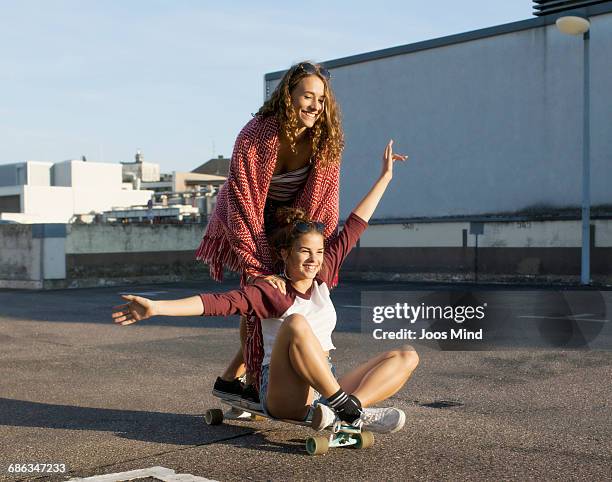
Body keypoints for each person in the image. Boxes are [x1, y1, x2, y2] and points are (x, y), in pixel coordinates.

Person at [112, 140, 419, 434]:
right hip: (282, 391)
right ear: (285, 253)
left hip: (325, 383)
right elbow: (216, 302)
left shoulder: (323, 275)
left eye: (319, 252)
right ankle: (348, 409)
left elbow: (355, 224)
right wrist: (156, 307)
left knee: (407, 355)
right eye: (304, 251)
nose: (313, 260)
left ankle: (350, 407)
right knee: (297, 323)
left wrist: (386, 176)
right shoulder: (272, 290)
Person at [194, 62, 344, 405]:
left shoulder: (325, 139)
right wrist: (261, 269)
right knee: (260, 296)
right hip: (245, 217)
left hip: (290, 220)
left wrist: (310, 250)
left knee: (286, 297)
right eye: (308, 96)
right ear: (287, 97)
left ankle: (234, 376)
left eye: (322, 100)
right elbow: (243, 200)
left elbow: (324, 202)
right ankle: (246, 379)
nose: (315, 106)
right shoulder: (255, 135)